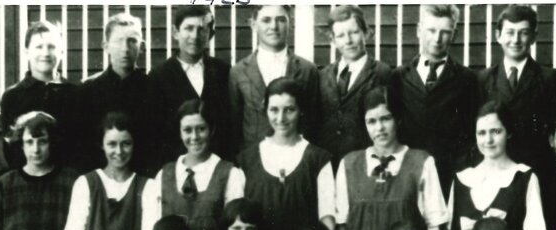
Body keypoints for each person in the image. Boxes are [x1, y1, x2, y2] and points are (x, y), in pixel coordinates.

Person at [335, 90, 450, 230]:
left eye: (385, 119)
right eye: (371, 121)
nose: (379, 128)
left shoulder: (421, 162)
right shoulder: (349, 164)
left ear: (398, 119)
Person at [238, 78, 336, 230]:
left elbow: (327, 219)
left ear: (300, 110)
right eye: (274, 110)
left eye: (289, 109)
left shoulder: (318, 159)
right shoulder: (247, 160)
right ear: (265, 110)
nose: (281, 118)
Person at [139, 99, 245, 230]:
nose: (194, 137)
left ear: (212, 129)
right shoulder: (164, 176)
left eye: (201, 129)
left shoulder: (230, 175)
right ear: (180, 132)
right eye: (187, 130)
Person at [449, 101, 548, 230]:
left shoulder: (524, 178)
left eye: (496, 132)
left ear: (508, 132)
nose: (488, 140)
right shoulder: (462, 179)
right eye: (482, 133)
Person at [389, 4, 478, 181]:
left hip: (450, 174)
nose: (437, 38)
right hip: (408, 173)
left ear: (455, 34)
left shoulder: (467, 79)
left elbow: (471, 133)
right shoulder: (398, 77)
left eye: (445, 32)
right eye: (431, 30)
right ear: (418, 30)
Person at [477, 4, 556, 171]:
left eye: (524, 33)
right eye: (510, 32)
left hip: (538, 170)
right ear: (498, 36)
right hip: (495, 170)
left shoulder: (550, 79)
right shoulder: (484, 79)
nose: (516, 40)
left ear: (534, 37)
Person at [60, 112, 149, 230]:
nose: (119, 151)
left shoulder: (147, 187)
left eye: (126, 144)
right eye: (112, 144)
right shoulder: (86, 184)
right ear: (102, 144)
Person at [229, 4, 321, 152]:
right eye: (266, 20)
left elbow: (314, 123)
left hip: (297, 158)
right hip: (254, 161)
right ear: (254, 25)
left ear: (290, 24)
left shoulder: (307, 70)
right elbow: (234, 126)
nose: (274, 26)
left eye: (281, 20)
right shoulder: (238, 72)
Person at [148, 6, 233, 166]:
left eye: (201, 29)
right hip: (176, 169)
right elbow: (155, 135)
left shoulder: (223, 72)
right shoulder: (159, 76)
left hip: (218, 169)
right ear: (175, 32)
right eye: (188, 28)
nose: (195, 36)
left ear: (210, 35)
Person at [0, 20, 83, 171]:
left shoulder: (76, 94)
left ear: (62, 52)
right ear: (27, 52)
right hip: (27, 180)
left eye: (52, 47)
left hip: (67, 181)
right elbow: (11, 149)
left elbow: (81, 146)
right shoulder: (12, 96)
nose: (45, 53)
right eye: (39, 47)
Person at [317, 5, 392, 166]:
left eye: (354, 32)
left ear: (366, 33)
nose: (348, 41)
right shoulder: (323, 76)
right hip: (329, 164)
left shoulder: (381, 73)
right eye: (341, 35)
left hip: (366, 164)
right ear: (333, 40)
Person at [81, 13, 155, 174]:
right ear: (106, 46)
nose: (125, 49)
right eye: (118, 41)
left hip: (142, 177)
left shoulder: (153, 88)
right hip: (100, 177)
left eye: (132, 41)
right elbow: (83, 144)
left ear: (142, 46)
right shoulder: (88, 89)